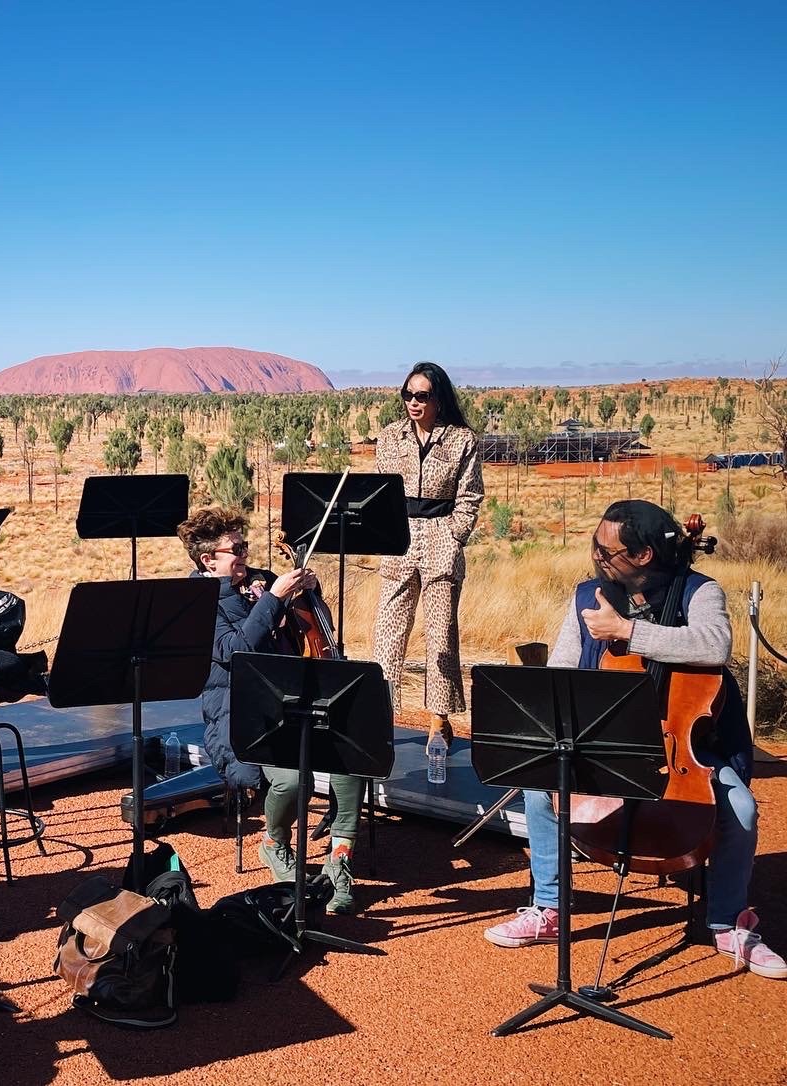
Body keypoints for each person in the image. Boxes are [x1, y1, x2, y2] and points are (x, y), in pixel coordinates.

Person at [482, 500, 784, 981]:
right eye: (595, 545)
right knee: (540, 787)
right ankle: (548, 906)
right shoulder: (586, 595)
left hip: (688, 747)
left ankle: (727, 920)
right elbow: (563, 670)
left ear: (643, 556)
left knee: (741, 809)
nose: (596, 556)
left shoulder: (699, 592)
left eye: (606, 549)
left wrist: (627, 632)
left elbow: (715, 645)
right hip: (603, 741)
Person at [177, 507, 365, 911]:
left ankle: (339, 860)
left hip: (297, 700)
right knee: (293, 779)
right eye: (237, 549)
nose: (246, 554)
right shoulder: (197, 602)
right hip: (245, 714)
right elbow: (235, 649)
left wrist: (310, 594)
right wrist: (274, 599)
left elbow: (313, 630)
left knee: (351, 760)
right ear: (208, 560)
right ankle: (274, 844)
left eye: (244, 545)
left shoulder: (259, 583)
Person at [372, 361, 483, 745]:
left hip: (441, 536)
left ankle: (439, 720)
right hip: (397, 538)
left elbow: (470, 496)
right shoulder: (389, 437)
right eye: (408, 395)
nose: (414, 403)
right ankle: (379, 714)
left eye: (422, 396)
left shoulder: (461, 440)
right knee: (388, 632)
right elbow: (381, 491)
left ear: (439, 399)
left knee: (440, 636)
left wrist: (454, 535)